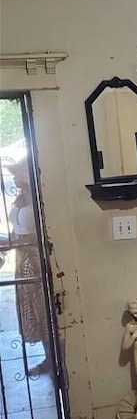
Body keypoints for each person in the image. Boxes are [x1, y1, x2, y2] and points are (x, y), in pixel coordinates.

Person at [7, 158, 51, 376]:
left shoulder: (41, 200)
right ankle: (48, 359)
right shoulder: (21, 198)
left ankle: (57, 360)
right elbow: (18, 228)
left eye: (19, 173)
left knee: (45, 311)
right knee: (32, 311)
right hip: (22, 260)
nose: (15, 178)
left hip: (35, 261)